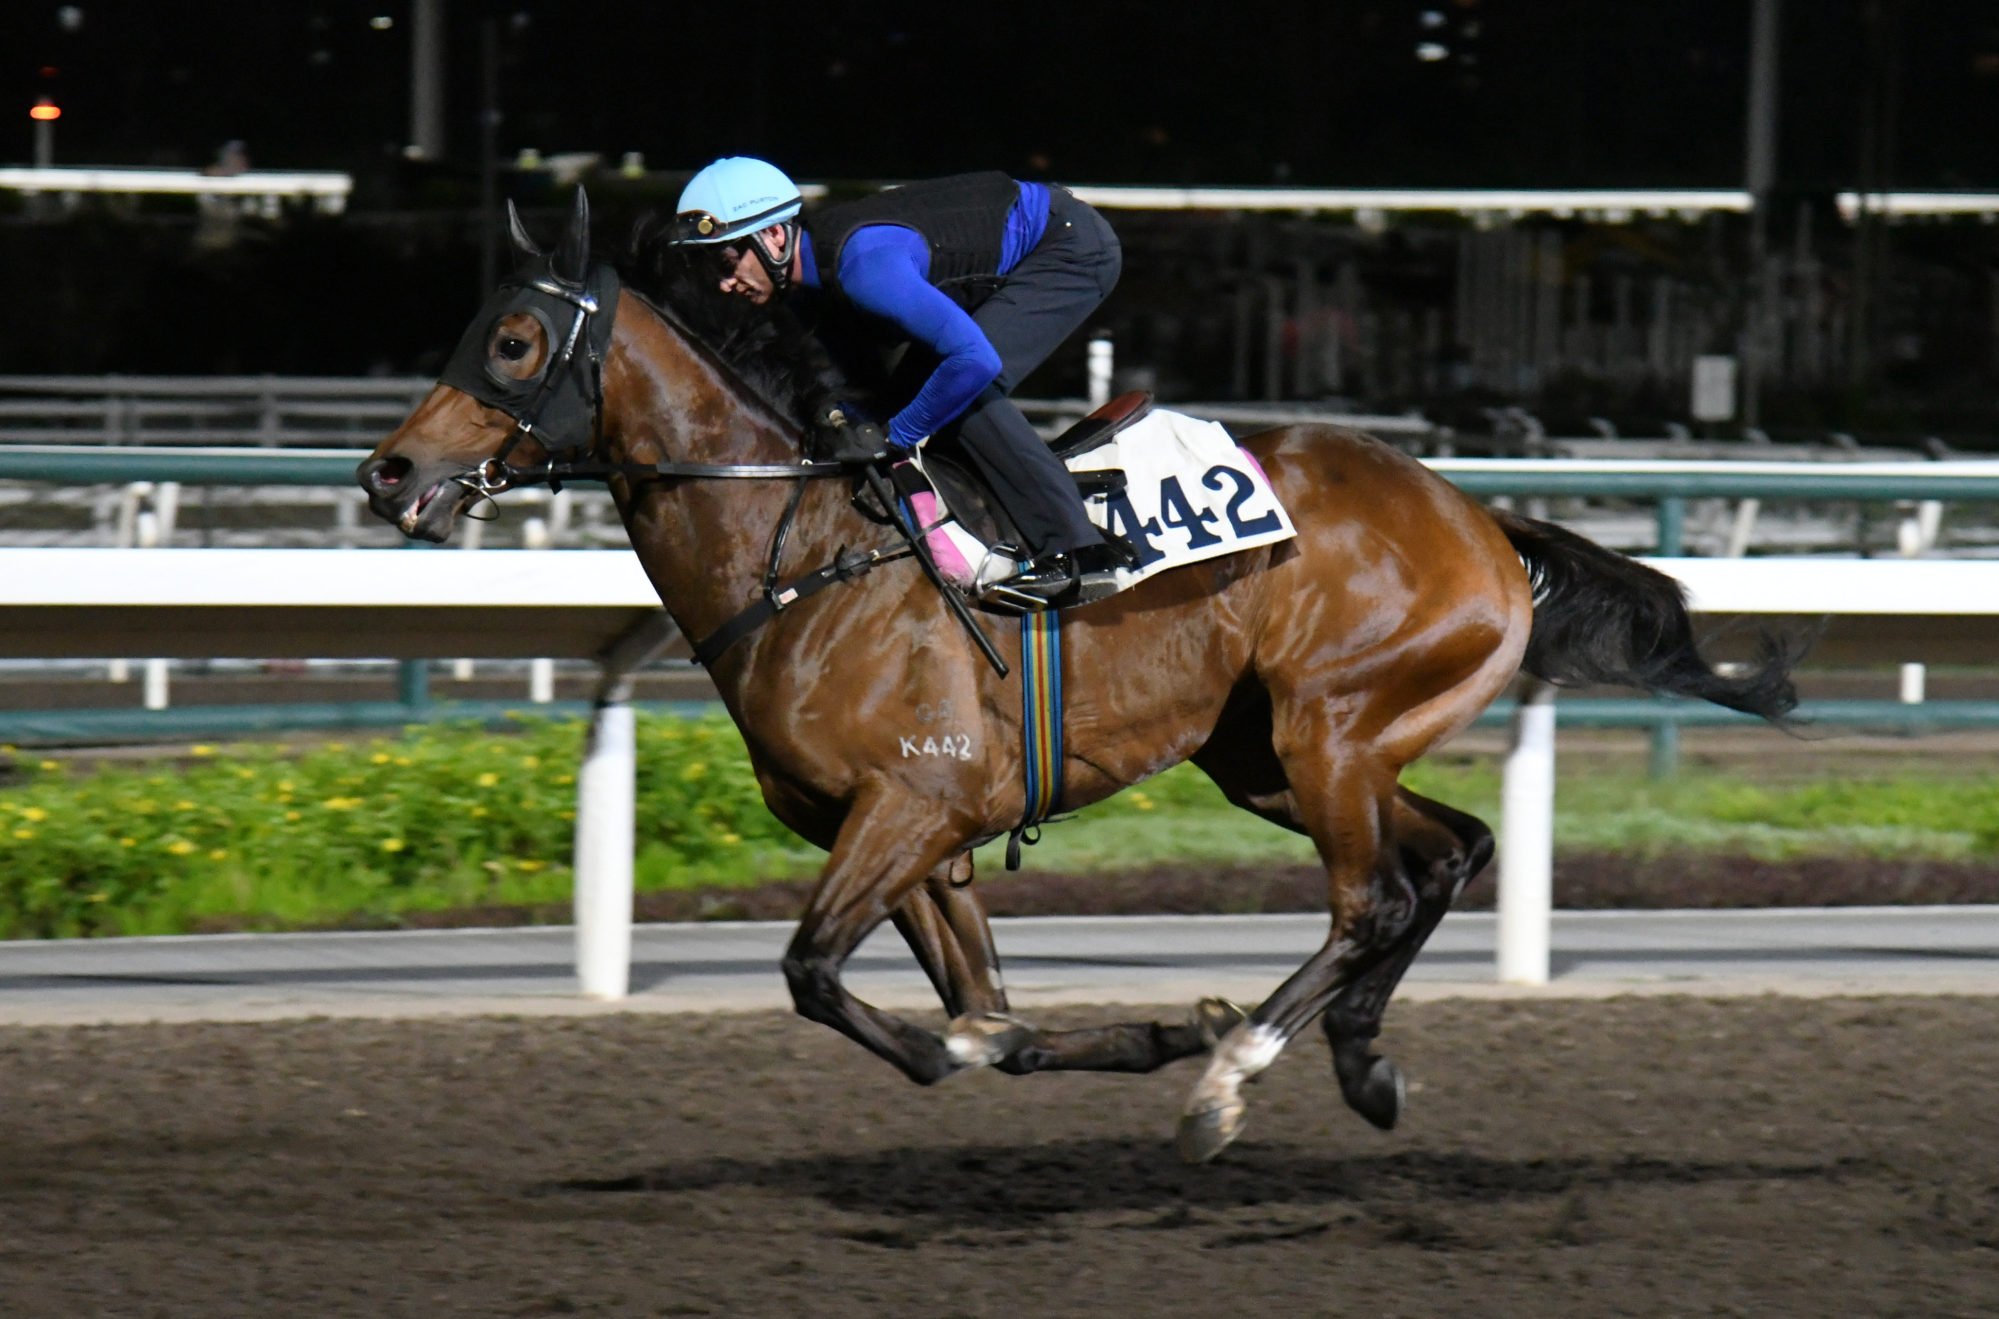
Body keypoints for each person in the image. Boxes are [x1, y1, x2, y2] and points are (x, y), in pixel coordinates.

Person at [669, 156, 1128, 604]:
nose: (725, 283)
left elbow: (974, 361)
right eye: (713, 269)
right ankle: (1017, 521)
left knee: (955, 392)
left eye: (728, 261)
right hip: (1023, 246)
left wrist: (898, 435)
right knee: (921, 395)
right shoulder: (807, 293)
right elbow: (868, 388)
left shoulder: (864, 270)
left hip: (1068, 248)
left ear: (773, 235)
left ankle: (1082, 553)